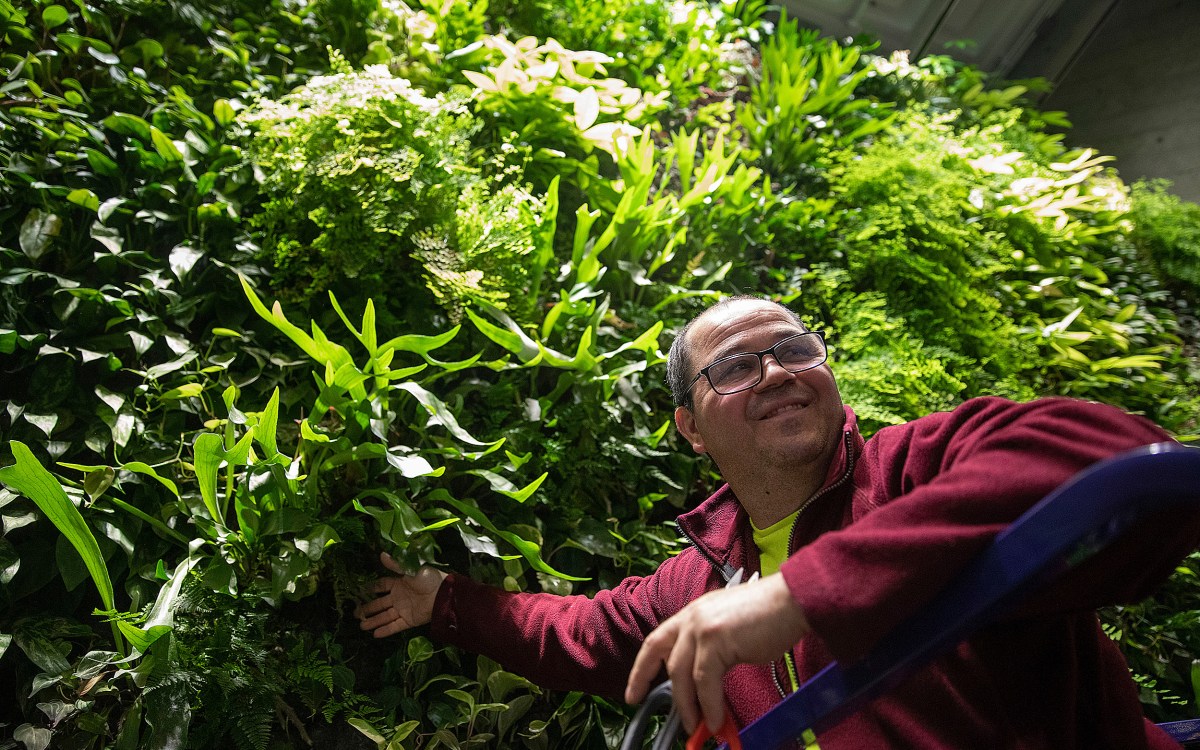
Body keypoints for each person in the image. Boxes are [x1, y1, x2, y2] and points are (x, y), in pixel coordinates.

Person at [357, 296, 1199, 748]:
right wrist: (446, 602)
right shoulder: (698, 577)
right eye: (734, 366)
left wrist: (799, 593)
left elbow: (1120, 461)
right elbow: (579, 632)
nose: (777, 373)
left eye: (795, 350)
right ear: (689, 426)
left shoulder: (916, 467)